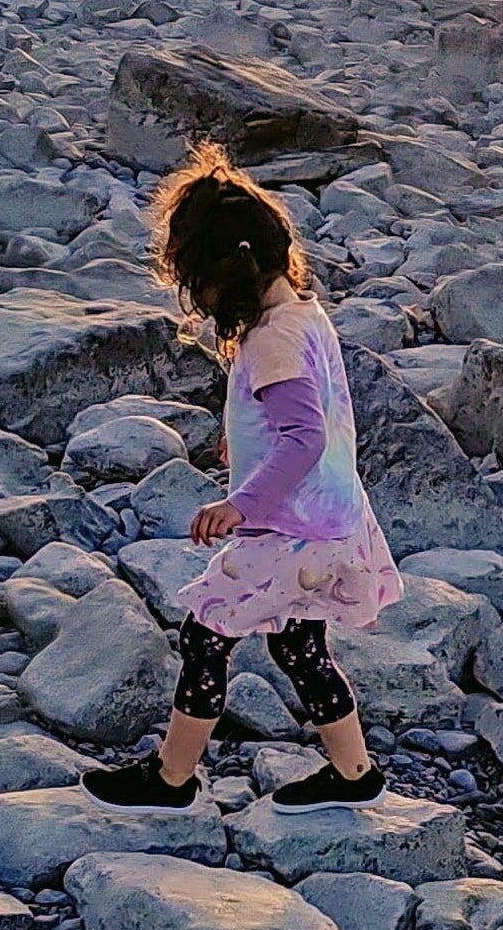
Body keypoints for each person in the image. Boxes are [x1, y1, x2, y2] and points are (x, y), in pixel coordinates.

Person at [84, 146, 400, 814]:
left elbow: (305, 436)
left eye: (196, 283)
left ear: (229, 272)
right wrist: (244, 441)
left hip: (291, 525)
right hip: (334, 517)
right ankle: (354, 774)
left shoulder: (271, 341)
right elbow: (304, 415)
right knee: (296, 640)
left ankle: (170, 782)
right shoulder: (303, 315)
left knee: (206, 631)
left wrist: (240, 503)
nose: (196, 301)